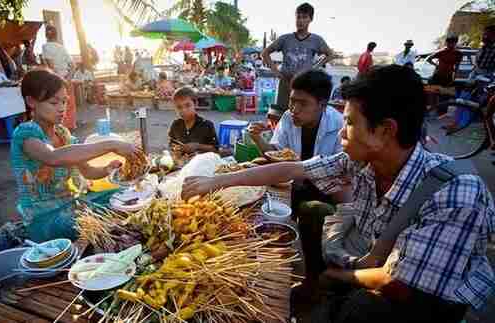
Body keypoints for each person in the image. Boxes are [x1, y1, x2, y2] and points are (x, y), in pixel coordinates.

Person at [182, 65, 495, 323]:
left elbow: (402, 286)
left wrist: (335, 276)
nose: (343, 131)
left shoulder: (456, 193)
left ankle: (328, 294)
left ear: (385, 130)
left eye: (350, 123)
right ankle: (321, 290)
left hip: (425, 297)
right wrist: (217, 182)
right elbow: (292, 169)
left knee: (361, 309)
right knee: (317, 224)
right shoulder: (363, 160)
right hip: (381, 253)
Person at [11, 69, 138, 242]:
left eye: (64, 101)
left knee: (126, 195)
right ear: (31, 101)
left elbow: (87, 172)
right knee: (111, 218)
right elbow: (53, 157)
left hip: (71, 206)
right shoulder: (26, 133)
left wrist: (108, 169)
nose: (62, 108)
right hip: (45, 219)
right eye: (54, 102)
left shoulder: (63, 134)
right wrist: (111, 144)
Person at [248, 69, 345, 208]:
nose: (295, 109)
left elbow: (341, 175)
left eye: (303, 104)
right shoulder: (288, 117)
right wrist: (256, 138)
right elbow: (275, 153)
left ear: (322, 105)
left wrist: (302, 172)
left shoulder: (339, 125)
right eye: (292, 101)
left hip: (326, 194)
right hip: (292, 186)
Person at [261, 3, 334, 112]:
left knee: (301, 115)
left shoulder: (316, 40)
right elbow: (265, 53)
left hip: (304, 86)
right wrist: (277, 73)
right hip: (285, 84)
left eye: (304, 17)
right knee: (281, 115)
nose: (300, 21)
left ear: (310, 19)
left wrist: (315, 67)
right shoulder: (285, 39)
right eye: (298, 17)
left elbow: (330, 54)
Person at [42, 25, 77, 130]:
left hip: (55, 81)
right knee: (69, 104)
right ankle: (70, 126)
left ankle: (61, 128)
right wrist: (67, 80)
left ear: (46, 35)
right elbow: (73, 66)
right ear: (56, 35)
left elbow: (51, 67)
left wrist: (61, 80)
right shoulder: (62, 47)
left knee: (57, 104)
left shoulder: (46, 47)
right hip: (66, 79)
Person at [168, 87, 218, 155]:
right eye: (179, 107)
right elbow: (172, 143)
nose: (183, 110)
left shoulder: (207, 125)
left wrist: (198, 146)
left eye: (188, 105)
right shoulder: (175, 125)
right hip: (181, 163)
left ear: (196, 104)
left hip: (202, 162)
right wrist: (176, 148)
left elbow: (215, 149)